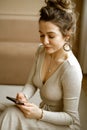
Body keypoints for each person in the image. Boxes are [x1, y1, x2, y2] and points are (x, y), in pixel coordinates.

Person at [0, 0, 83, 130]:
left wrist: (40, 114)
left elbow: (70, 118)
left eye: (51, 36)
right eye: (41, 35)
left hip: (64, 125)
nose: (45, 41)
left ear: (66, 35)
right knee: (2, 108)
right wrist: (24, 95)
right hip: (43, 115)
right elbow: (32, 83)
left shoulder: (71, 69)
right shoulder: (41, 51)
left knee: (11, 114)